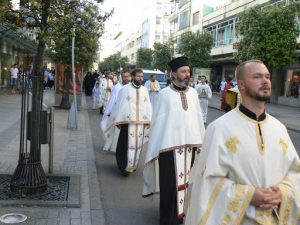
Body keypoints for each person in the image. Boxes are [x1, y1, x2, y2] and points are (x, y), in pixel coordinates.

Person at [185, 59, 300, 225]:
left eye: (267, 76)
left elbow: (295, 173)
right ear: (242, 85)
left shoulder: (280, 129)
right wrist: (249, 195)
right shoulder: (219, 129)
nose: (265, 81)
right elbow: (206, 184)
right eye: (257, 77)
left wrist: (282, 192)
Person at [143, 56, 205, 225]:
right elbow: (158, 122)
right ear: (173, 74)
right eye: (183, 71)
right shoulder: (164, 95)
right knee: (170, 187)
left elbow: (197, 119)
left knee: (189, 184)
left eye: (188, 71)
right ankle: (168, 220)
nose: (187, 74)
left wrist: (202, 142)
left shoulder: (193, 94)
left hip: (190, 148)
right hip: (168, 150)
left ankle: (185, 216)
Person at [106, 68, 152, 175]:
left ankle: (133, 165)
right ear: (133, 76)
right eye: (138, 76)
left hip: (140, 123)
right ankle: (123, 166)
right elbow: (119, 104)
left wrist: (149, 120)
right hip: (127, 122)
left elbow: (147, 105)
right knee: (125, 145)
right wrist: (118, 118)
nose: (140, 78)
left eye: (141, 76)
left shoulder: (145, 90)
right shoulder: (125, 89)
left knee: (137, 146)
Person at [101, 71, 131, 152]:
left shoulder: (131, 87)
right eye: (124, 76)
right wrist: (109, 111)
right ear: (121, 77)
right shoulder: (118, 87)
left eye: (128, 76)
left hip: (128, 114)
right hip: (118, 113)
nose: (126, 78)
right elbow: (112, 100)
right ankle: (115, 148)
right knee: (115, 132)